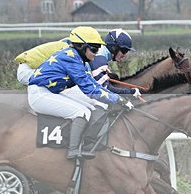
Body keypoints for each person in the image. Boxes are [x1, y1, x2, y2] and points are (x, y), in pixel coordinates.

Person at [27, 26, 134, 159]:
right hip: (39, 94)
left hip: (50, 91)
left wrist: (117, 97)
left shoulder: (78, 59)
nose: (96, 53)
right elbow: (89, 90)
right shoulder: (71, 59)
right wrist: (117, 100)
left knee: (91, 107)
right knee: (82, 112)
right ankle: (73, 151)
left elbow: (93, 84)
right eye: (94, 49)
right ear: (82, 47)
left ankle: (84, 141)